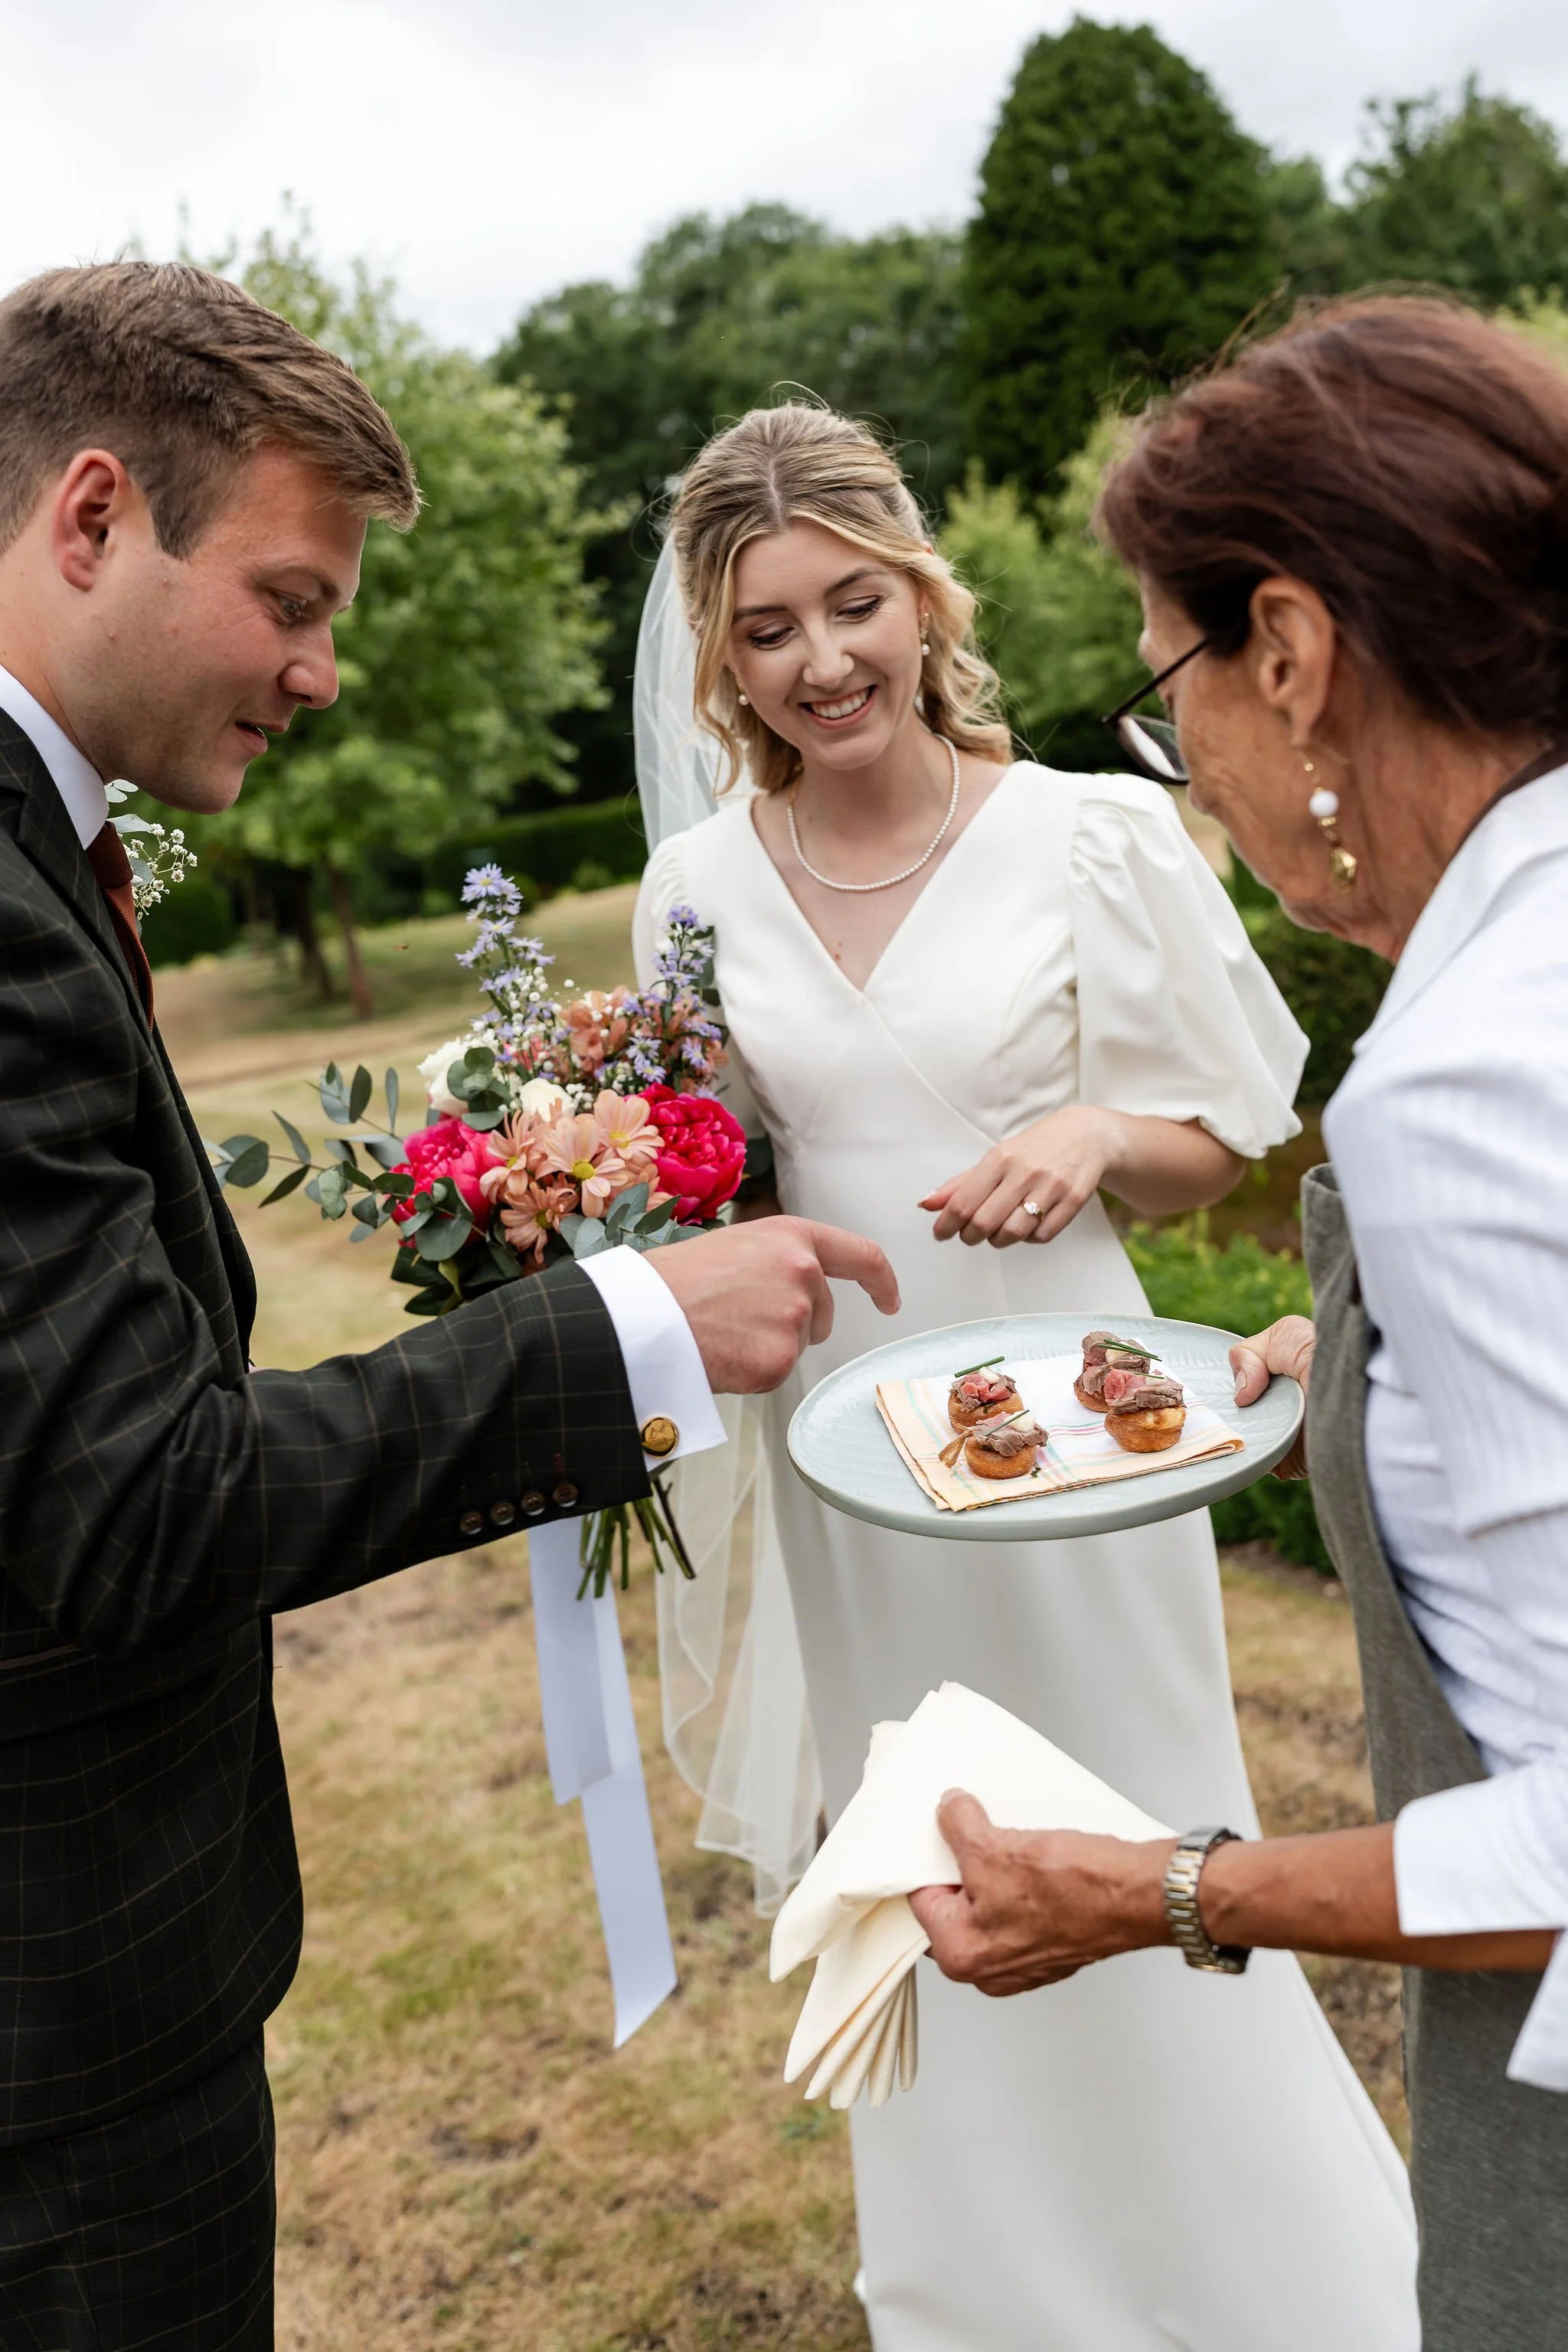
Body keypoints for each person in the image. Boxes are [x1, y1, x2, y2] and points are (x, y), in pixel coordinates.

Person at [0, 263, 897, 2352]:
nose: (323, 674)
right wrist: (632, 1331)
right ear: (93, 518)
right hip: (56, 2030)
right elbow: (137, 1503)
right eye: (295, 600)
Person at [632, 402, 1418, 2351]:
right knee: (931, 1853)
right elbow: (705, 1164)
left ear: (919, 593)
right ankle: (991, 2297)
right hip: (855, 1447)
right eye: (764, 631)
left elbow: (1221, 1135)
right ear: (719, 661)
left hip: (1085, 1426)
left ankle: (1278, 2289)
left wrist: (1090, 1130)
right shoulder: (692, 890)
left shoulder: (1092, 825)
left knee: (1140, 1824)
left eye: (851, 604)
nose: (820, 663)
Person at [907, 293, 1568, 2352]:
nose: (1180, 753)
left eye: (1166, 684)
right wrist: (1369, 1376)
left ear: (1289, 654)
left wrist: (1164, 1891)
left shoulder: (1466, 1081)